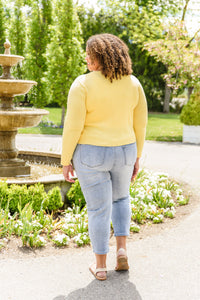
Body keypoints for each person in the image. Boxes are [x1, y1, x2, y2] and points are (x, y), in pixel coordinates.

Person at [61, 33, 148, 281]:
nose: (87, 57)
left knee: (98, 209)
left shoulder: (82, 84)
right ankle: (122, 250)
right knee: (121, 200)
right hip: (125, 150)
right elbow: (140, 124)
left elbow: (73, 126)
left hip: (91, 153)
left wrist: (66, 159)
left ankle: (100, 266)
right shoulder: (134, 84)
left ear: (100, 57)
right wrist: (137, 157)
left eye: (90, 53)